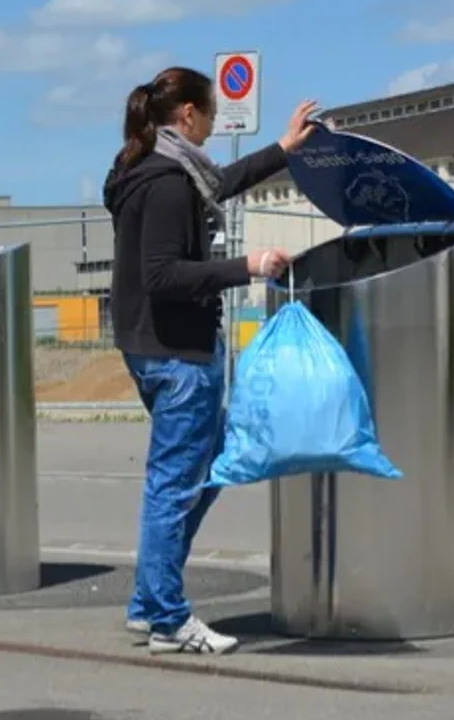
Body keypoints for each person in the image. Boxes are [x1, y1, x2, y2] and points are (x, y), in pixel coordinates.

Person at [102, 66, 319, 654]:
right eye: (213, 114)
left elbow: (218, 183)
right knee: (175, 485)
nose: (217, 124)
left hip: (149, 345)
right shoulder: (170, 182)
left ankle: (152, 601)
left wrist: (283, 149)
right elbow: (162, 273)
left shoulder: (146, 170)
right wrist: (246, 267)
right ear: (188, 116)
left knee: (197, 470)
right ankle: (168, 616)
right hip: (178, 353)